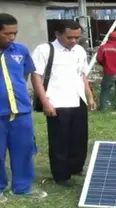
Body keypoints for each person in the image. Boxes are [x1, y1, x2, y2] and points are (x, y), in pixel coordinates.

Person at [31, 20, 96, 187]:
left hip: (77, 99)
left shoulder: (79, 50)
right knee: (59, 141)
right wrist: (45, 102)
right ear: (58, 34)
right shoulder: (44, 50)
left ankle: (76, 168)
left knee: (79, 138)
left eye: (77, 37)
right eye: (70, 37)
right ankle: (61, 175)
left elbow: (82, 75)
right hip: (56, 101)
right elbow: (36, 77)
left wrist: (89, 96)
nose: (73, 40)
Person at [0, 13, 47, 202]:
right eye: (7, 34)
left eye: (15, 33)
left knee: (24, 149)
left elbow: (26, 75)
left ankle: (21, 187)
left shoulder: (21, 50)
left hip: (21, 112)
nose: (12, 37)